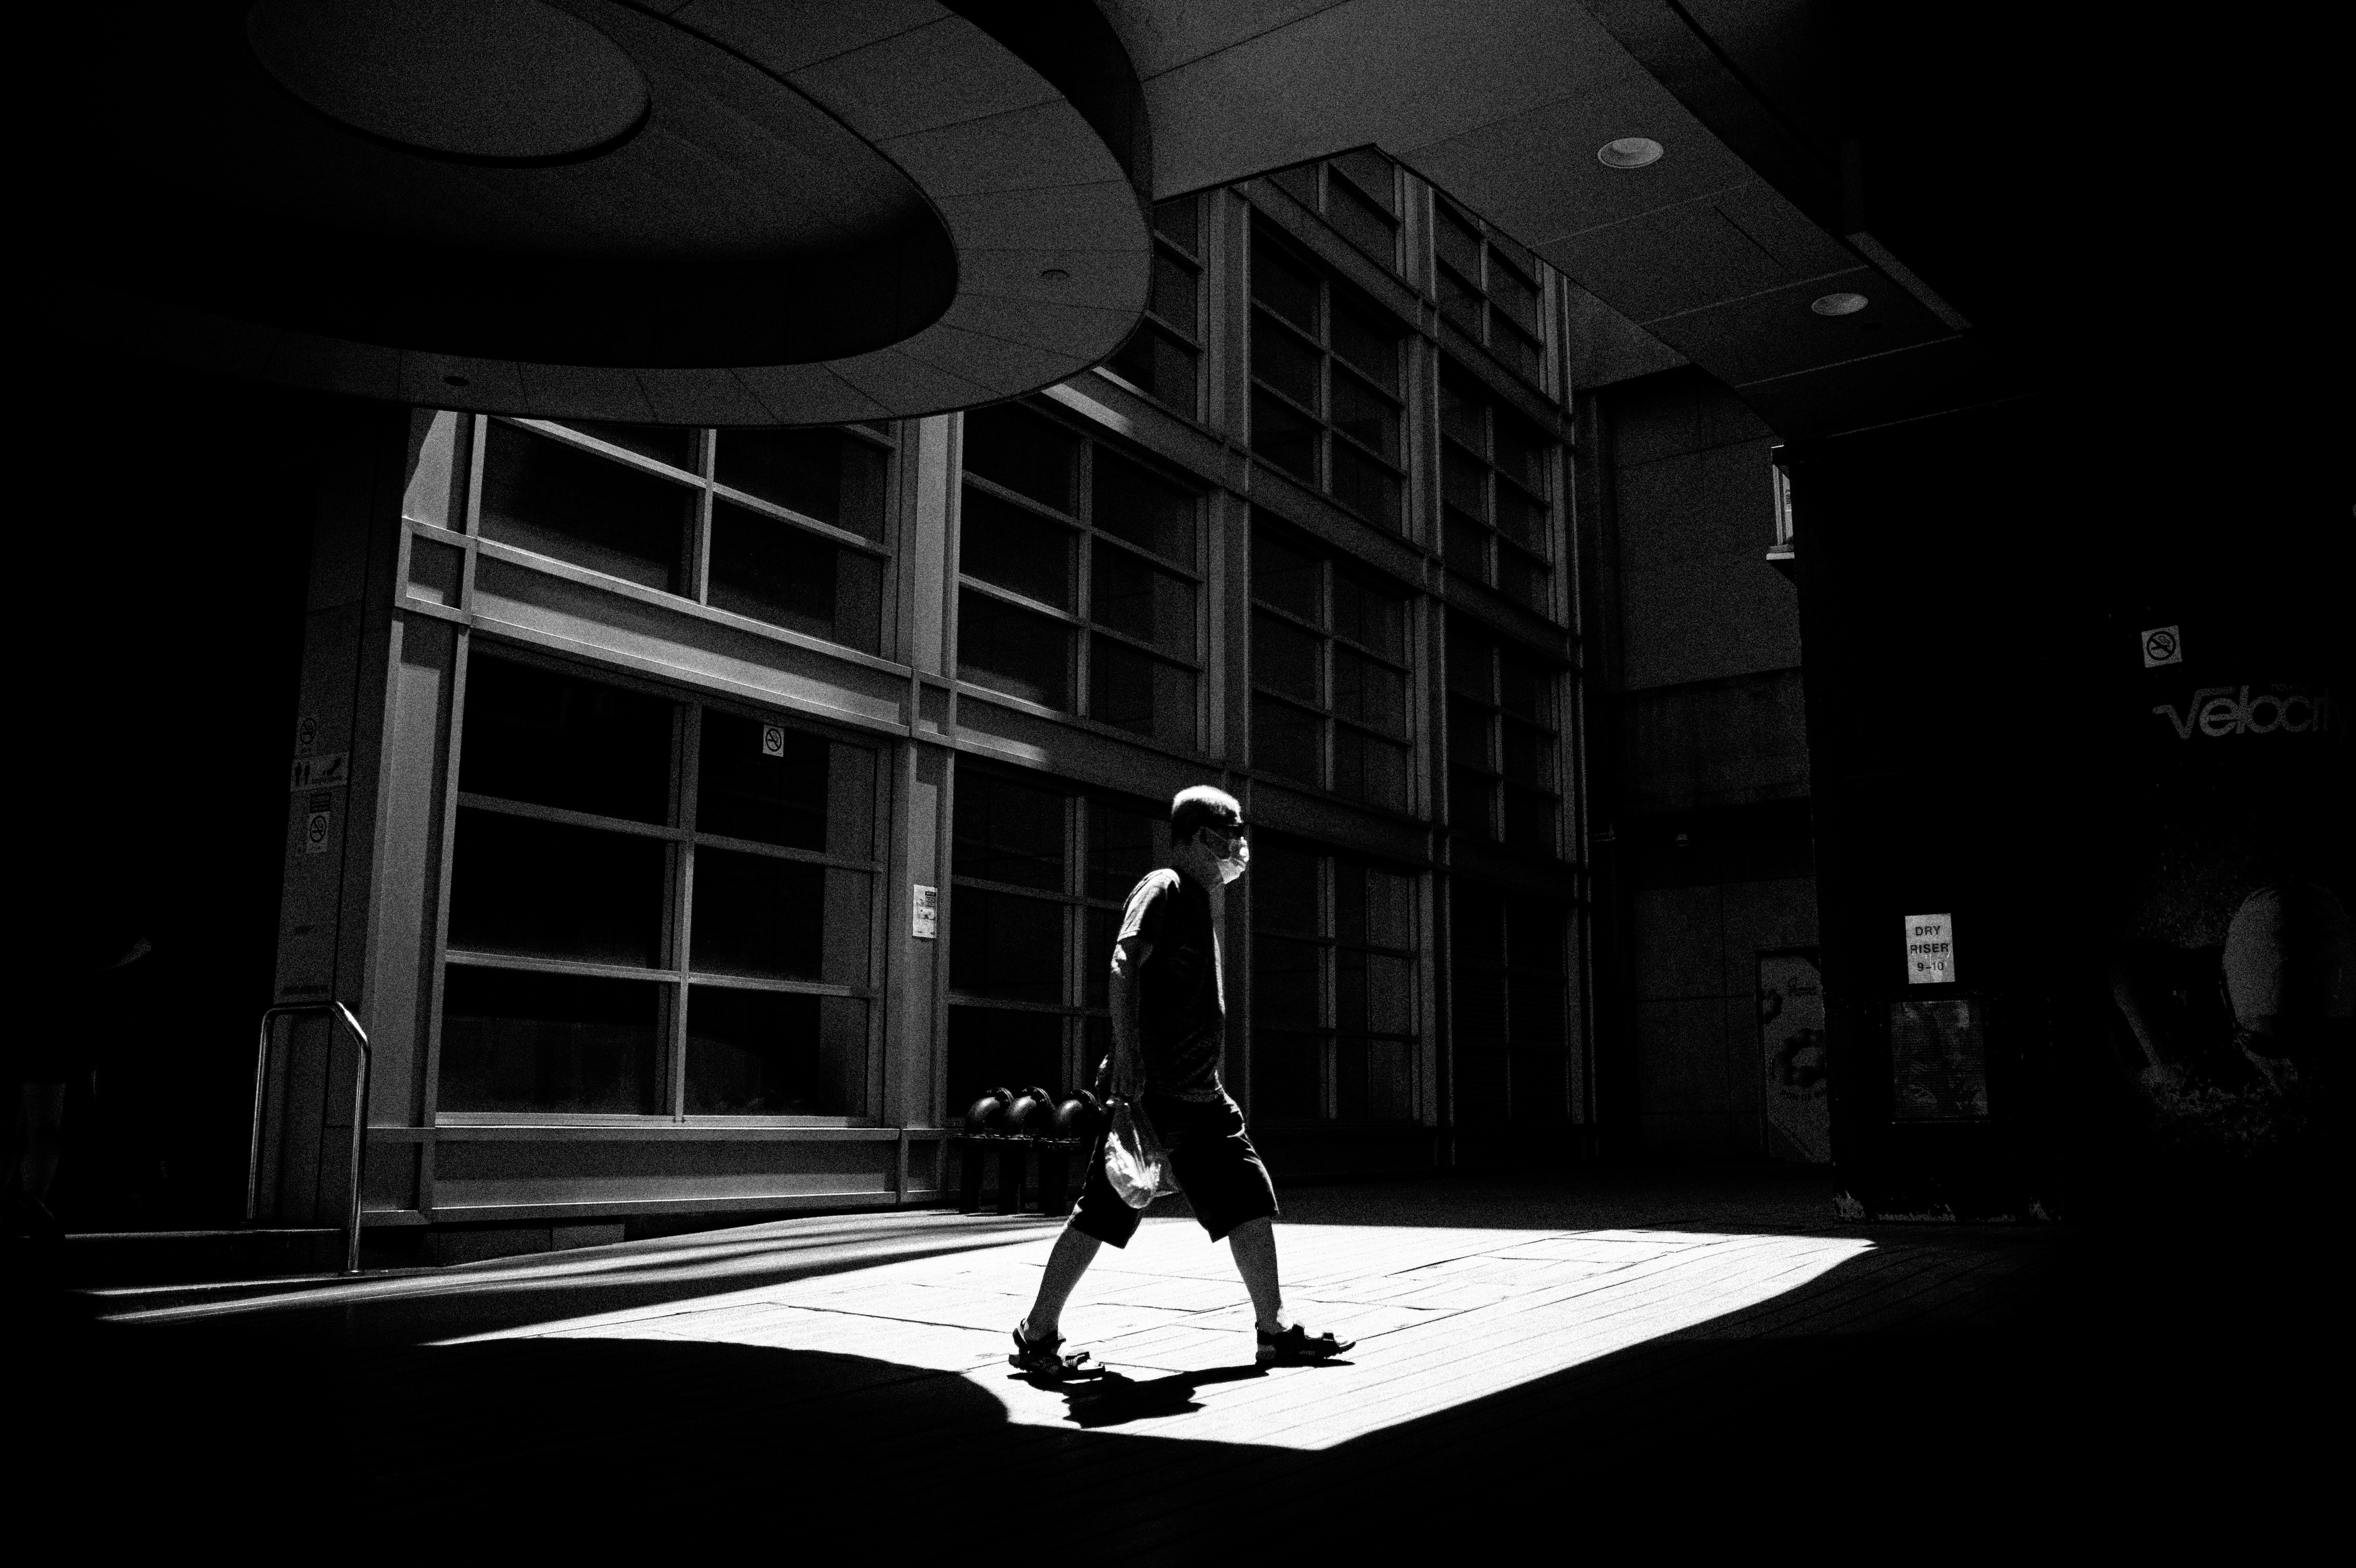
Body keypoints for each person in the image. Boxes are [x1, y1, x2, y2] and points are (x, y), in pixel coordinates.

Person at [1010, 785, 1353, 1375]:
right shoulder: (1164, 886)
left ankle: (1274, 1331)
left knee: (1247, 1201)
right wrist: (1127, 1054)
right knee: (1104, 1212)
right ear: (1200, 835)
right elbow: (1124, 962)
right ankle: (1037, 1334)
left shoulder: (1199, 896)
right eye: (1234, 830)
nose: (1242, 844)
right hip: (1156, 1096)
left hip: (1203, 1095)